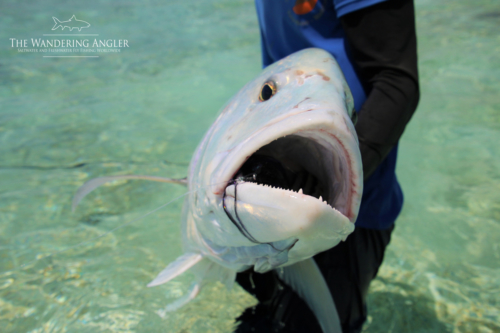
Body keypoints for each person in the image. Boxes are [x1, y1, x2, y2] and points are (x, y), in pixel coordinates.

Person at [234, 0, 420, 332]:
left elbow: (396, 82)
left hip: (349, 213)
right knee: (261, 318)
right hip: (272, 192)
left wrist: (334, 185)